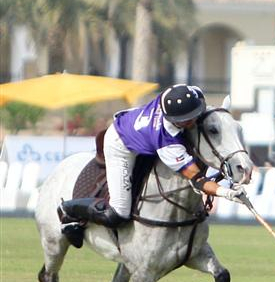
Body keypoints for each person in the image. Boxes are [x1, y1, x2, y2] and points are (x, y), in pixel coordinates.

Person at [57, 84, 248, 247]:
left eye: (194, 114)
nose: (193, 120)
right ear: (174, 120)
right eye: (187, 119)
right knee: (118, 213)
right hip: (121, 142)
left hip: (137, 123)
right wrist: (227, 193)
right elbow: (197, 180)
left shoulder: (187, 94)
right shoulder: (167, 143)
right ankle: (69, 209)